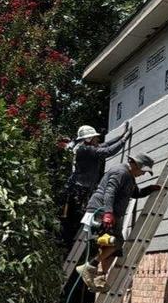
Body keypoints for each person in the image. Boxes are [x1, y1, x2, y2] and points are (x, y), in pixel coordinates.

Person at [77, 153, 160, 291]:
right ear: (135, 164)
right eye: (143, 170)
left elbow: (135, 193)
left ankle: (99, 276)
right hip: (102, 211)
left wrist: (150, 189)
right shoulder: (120, 172)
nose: (143, 174)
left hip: (112, 213)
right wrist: (108, 213)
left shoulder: (130, 177)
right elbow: (110, 192)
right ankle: (90, 266)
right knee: (114, 242)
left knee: (113, 248)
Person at [60, 123, 131, 246]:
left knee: (83, 218)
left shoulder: (85, 147)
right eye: (95, 137)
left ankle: (76, 243)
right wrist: (124, 140)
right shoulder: (85, 150)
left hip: (81, 189)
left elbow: (105, 145)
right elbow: (108, 151)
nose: (97, 139)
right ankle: (71, 244)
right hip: (78, 191)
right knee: (78, 220)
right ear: (88, 139)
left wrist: (120, 136)